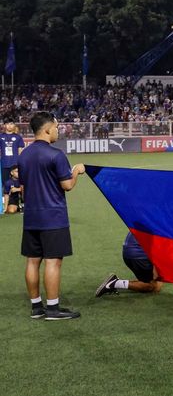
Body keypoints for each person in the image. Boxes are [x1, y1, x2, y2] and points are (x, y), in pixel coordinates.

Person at [18, 111, 86, 320]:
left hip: (31, 216)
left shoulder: (24, 155)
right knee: (53, 261)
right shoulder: (56, 155)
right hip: (53, 216)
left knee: (32, 261)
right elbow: (66, 185)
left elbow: (22, 188)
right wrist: (76, 171)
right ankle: (53, 309)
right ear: (47, 129)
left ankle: (36, 307)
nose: (58, 131)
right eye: (56, 127)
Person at [95, 232, 164, 297]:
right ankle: (115, 283)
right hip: (139, 256)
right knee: (153, 287)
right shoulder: (163, 226)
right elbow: (158, 248)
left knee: (150, 282)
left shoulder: (151, 220)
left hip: (128, 252)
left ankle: (122, 283)